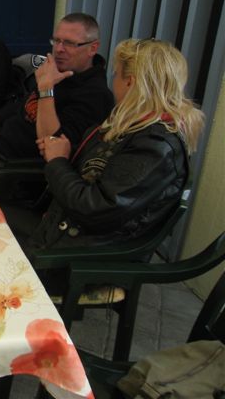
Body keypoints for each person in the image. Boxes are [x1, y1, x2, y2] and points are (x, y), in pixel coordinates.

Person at [26, 39, 204, 291]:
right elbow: (99, 171)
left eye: (117, 74)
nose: (114, 82)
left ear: (130, 82)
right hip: (65, 234)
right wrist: (64, 152)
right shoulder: (132, 126)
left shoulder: (154, 146)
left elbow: (94, 208)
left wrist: (58, 162)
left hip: (80, 261)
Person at [0, 13, 114, 193]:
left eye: (69, 43)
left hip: (14, 169)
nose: (59, 49)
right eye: (56, 41)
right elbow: (23, 104)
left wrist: (46, 89)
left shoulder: (96, 95)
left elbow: (52, 146)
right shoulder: (57, 70)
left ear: (92, 48)